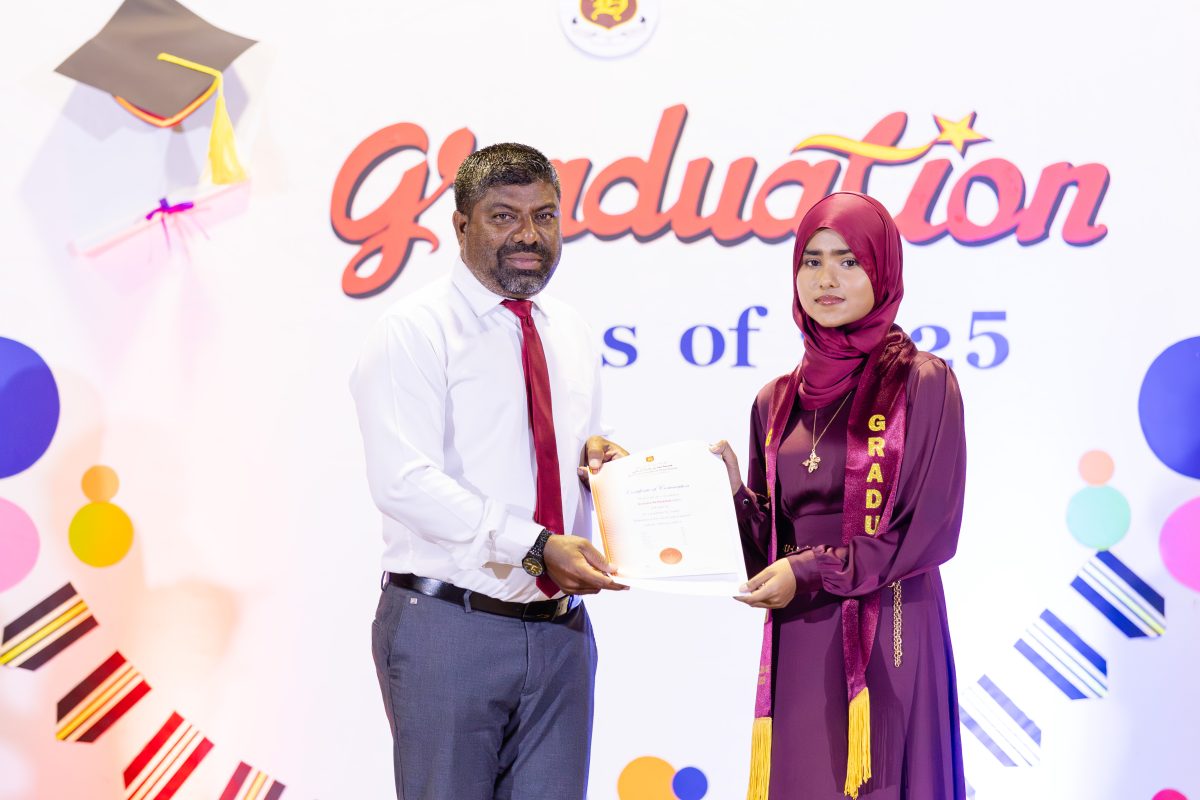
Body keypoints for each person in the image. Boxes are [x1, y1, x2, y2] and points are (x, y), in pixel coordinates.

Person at [350, 142, 628, 800]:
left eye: (545, 216)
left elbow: (564, 452)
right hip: (450, 628)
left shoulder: (568, 329)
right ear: (461, 225)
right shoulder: (413, 330)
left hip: (560, 633)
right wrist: (537, 546)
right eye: (504, 216)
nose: (528, 235)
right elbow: (404, 480)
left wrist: (603, 467)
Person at [711, 192, 967, 800]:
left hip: (890, 630)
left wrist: (808, 570)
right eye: (812, 260)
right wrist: (732, 498)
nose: (826, 279)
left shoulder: (921, 382)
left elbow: (927, 531)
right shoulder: (775, 400)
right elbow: (769, 544)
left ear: (883, 271)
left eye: (849, 261)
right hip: (801, 631)